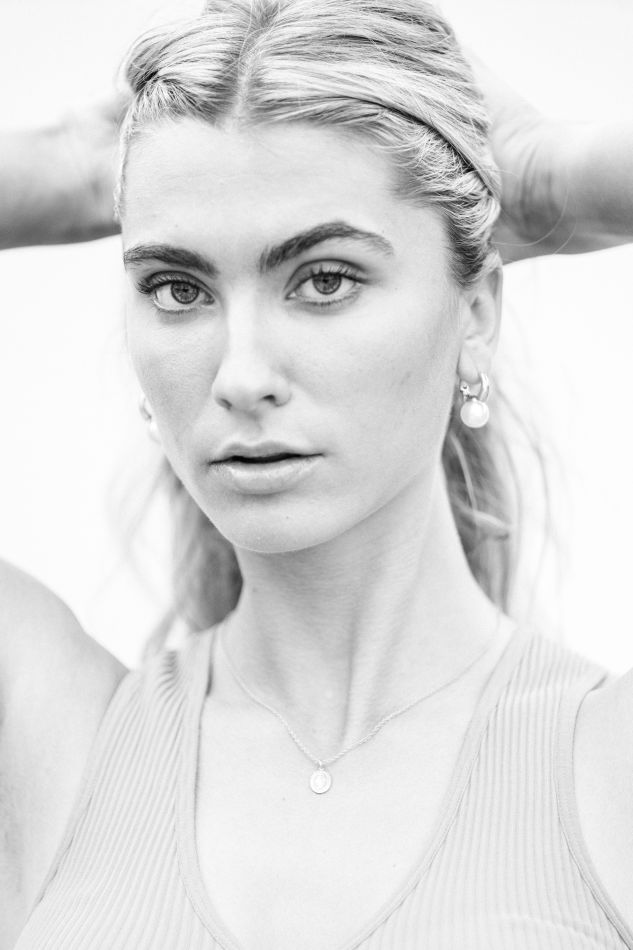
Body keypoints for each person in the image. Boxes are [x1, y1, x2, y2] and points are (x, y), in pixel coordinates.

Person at [1, 1, 632, 948]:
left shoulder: (605, 766)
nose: (241, 375)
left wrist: (548, 176)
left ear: (476, 314)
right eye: (178, 287)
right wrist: (85, 167)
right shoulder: (49, 742)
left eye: (324, 279)